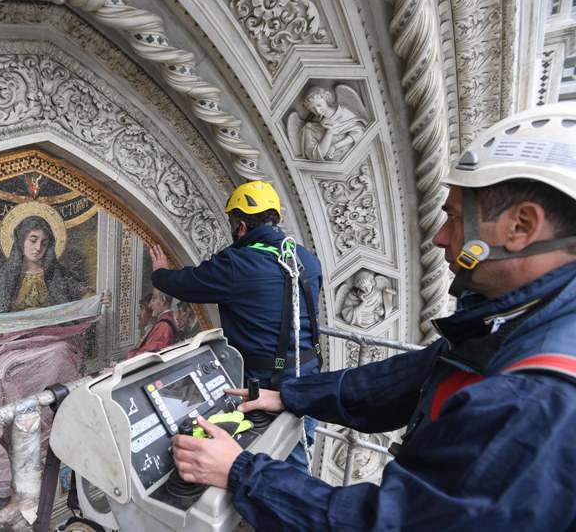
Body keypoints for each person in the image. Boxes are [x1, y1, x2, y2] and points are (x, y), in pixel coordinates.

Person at [172, 103, 576, 530]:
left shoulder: (534, 397)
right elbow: (407, 377)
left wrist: (241, 472)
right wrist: (292, 396)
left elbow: (389, 524)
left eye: (454, 217)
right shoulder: (513, 324)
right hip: (294, 372)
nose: (439, 237)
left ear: (521, 226)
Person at [0, 201, 110, 499]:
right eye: (32, 239)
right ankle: (14, 433)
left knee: (59, 357)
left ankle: (44, 432)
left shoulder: (57, 275)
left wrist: (97, 301)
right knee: (1, 371)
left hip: (51, 339)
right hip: (8, 343)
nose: (38, 247)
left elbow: (83, 295)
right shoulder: (6, 277)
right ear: (20, 241)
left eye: (43, 241)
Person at [151, 180, 322, 469]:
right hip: (309, 377)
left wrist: (159, 273)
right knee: (297, 454)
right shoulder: (306, 259)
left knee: (264, 461)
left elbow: (186, 283)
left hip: (266, 385)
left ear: (241, 226)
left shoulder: (238, 264)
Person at [299, 86, 366, 161]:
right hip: (333, 168)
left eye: (319, 105)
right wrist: (329, 131)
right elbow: (315, 156)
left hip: (355, 157)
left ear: (326, 97)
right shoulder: (310, 128)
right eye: (312, 109)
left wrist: (335, 146)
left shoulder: (341, 112)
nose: (318, 111)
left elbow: (359, 131)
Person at [126, 288, 177, 359]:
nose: (150, 305)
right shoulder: (165, 321)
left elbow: (144, 357)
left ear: (162, 300)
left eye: (154, 298)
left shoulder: (163, 326)